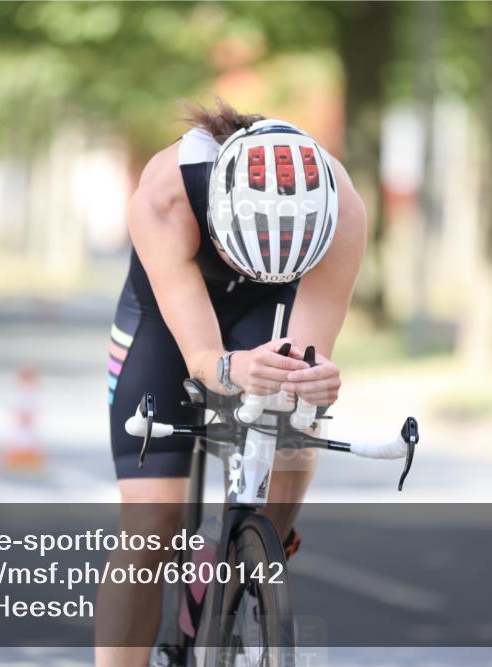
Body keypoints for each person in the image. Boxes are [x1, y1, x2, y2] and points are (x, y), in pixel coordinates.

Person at [96, 100, 367, 666]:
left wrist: (311, 382)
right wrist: (225, 368)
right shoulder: (166, 193)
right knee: (150, 527)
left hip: (269, 308)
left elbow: (308, 358)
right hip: (167, 320)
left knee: (294, 411)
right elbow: (200, 355)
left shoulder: (341, 208)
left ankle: (244, 554)